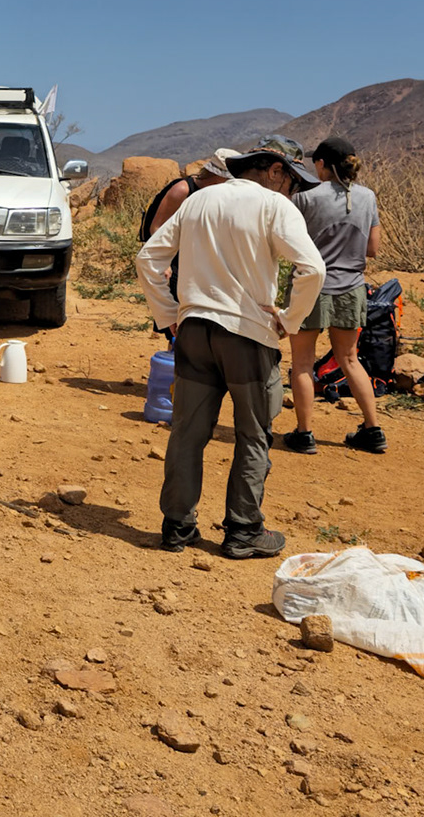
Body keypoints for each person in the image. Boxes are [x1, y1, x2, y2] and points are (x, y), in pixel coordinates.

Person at [135, 146, 324, 559]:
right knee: (253, 435)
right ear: (275, 172)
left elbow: (149, 256)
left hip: (194, 332)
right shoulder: (274, 206)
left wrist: (169, 314)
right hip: (248, 336)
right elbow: (313, 269)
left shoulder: (199, 200)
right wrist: (290, 321)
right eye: (292, 181)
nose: (292, 192)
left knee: (186, 433)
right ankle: (243, 531)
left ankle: (177, 526)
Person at [283, 137, 386, 455]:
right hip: (352, 288)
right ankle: (373, 430)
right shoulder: (367, 197)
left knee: (302, 364)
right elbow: (373, 249)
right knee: (350, 359)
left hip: (311, 288)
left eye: (317, 162)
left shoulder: (306, 198)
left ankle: (304, 434)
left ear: (324, 165)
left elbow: (288, 243)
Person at [140, 147, 239, 324]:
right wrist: (166, 262)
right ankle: (175, 351)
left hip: (198, 259)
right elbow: (156, 227)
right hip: (176, 259)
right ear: (217, 175)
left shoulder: (219, 194)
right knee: (179, 316)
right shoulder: (183, 190)